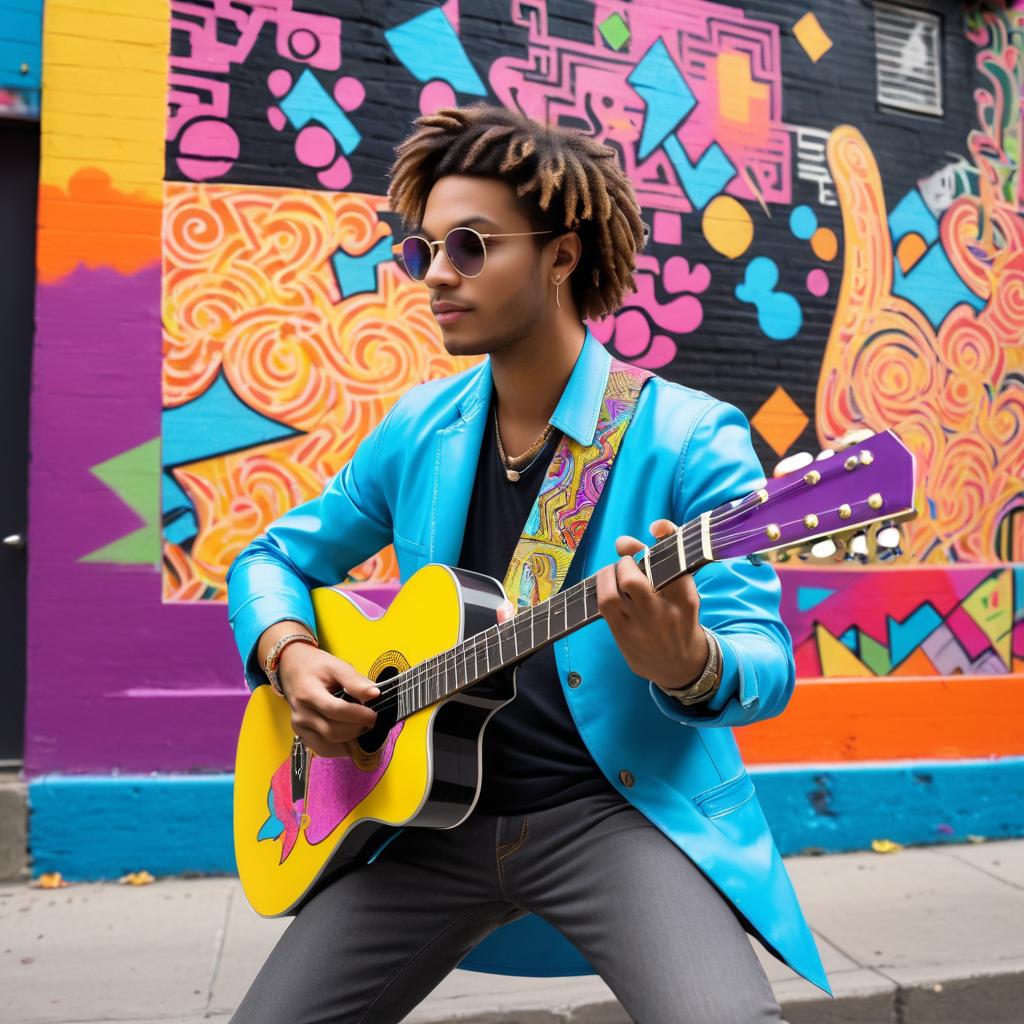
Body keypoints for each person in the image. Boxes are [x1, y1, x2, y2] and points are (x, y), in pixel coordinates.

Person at [226, 104, 829, 1023]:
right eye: (422, 249)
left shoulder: (686, 437)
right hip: (420, 822)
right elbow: (272, 557)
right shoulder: (418, 429)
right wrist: (291, 654)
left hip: (614, 816)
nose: (435, 275)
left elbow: (766, 663)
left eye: (469, 246)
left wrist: (692, 664)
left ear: (562, 254)